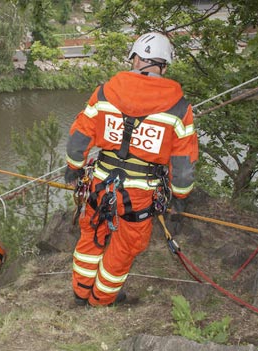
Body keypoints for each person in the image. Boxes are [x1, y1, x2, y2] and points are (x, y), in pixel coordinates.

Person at [64, 32, 198, 307]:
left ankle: (81, 292)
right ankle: (102, 299)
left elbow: (79, 138)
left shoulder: (104, 92)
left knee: (91, 233)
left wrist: (74, 169)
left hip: (100, 183)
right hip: (140, 193)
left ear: (135, 58)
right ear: (164, 65)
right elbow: (183, 167)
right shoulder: (179, 107)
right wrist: (180, 199)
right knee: (125, 246)